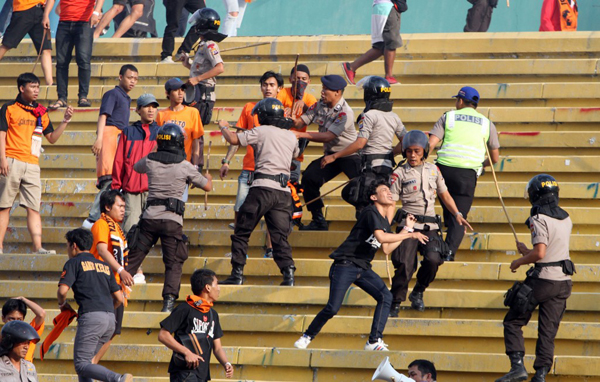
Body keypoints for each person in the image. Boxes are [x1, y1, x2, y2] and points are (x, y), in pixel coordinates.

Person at [294, 180, 427, 351]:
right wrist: (411, 235)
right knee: (333, 308)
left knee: (386, 297)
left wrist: (406, 230)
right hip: (345, 265)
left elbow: (386, 249)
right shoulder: (370, 212)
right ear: (374, 197)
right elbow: (382, 238)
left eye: (389, 190)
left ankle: (374, 341)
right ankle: (307, 336)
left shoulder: (384, 221)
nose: (389, 192)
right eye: (384, 190)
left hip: (362, 268)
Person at [125, 124, 212, 313]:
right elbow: (207, 187)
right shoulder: (185, 165)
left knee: (133, 257)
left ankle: (116, 289)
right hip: (172, 221)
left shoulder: (150, 160)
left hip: (149, 218)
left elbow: (136, 166)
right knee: (173, 263)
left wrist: (157, 150)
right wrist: (209, 178)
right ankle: (169, 302)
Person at [496, 175, 573, 382]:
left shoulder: (538, 218)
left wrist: (519, 261)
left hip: (543, 280)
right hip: (563, 282)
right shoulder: (566, 217)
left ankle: (517, 367)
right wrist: (527, 251)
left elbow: (540, 254)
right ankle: (540, 375)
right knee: (547, 331)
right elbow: (551, 251)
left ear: (535, 195)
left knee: (513, 322)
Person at [389, 130, 472, 315]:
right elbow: (391, 202)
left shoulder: (434, 170)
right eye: (409, 151)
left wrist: (457, 213)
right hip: (409, 226)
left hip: (430, 227)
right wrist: (384, 227)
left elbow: (445, 194)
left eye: (417, 151)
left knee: (434, 259)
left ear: (425, 151)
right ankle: (395, 300)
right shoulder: (399, 173)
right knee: (404, 263)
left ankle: (418, 291)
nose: (412, 155)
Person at [218, 98, 299, 286]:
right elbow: (294, 155)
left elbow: (233, 139)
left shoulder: (260, 131)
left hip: (261, 188)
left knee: (242, 231)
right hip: (283, 193)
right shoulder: (290, 136)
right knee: (279, 237)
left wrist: (223, 126)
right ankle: (289, 274)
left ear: (263, 115)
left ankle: (237, 273)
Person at [0, 72, 73, 254]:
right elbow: (1, 134)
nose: (36, 90)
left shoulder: (41, 111)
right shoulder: (8, 108)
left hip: (32, 163)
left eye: (38, 87)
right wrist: (2, 159)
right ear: (21, 88)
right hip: (11, 159)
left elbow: (51, 138)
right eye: (32, 87)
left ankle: (38, 247)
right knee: (4, 206)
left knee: (33, 207)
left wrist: (65, 122)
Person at [428, 86, 499, 261]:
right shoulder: (486, 123)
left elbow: (430, 144)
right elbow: (495, 158)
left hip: (443, 170)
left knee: (445, 207)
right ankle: (449, 252)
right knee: (459, 214)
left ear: (460, 101)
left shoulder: (449, 116)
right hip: (467, 174)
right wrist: (480, 166)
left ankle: (436, 247)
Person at [219, 70, 283, 257]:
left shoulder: (281, 109)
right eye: (265, 84)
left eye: (272, 85)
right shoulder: (249, 108)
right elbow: (238, 138)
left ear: (279, 89)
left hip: (271, 171)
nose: (268, 88)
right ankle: (239, 251)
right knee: (240, 210)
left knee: (273, 214)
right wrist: (226, 161)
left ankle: (271, 249)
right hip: (249, 170)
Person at [58, 228, 132, 382]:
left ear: (74, 246)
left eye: (67, 245)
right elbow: (118, 298)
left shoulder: (73, 263)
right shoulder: (104, 265)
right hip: (110, 319)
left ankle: (118, 379)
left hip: (91, 317)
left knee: (81, 364)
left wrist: (63, 304)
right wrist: (106, 311)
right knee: (87, 366)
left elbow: (62, 290)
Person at [321, 76, 405, 212]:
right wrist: (390, 154)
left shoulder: (369, 115)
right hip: (386, 168)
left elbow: (360, 143)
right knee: (381, 205)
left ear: (369, 94)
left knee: (361, 203)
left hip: (370, 168)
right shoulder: (394, 116)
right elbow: (405, 141)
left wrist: (334, 156)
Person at [292, 74, 360, 231]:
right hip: (330, 155)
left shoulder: (345, 112)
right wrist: (290, 118)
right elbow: (301, 121)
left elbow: (329, 136)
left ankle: (363, 220)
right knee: (309, 178)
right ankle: (318, 219)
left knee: (360, 186)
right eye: (322, 88)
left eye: (326, 89)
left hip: (349, 154)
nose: (322, 92)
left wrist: (301, 134)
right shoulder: (319, 105)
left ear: (337, 92)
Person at [83, 64, 138, 229]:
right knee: (109, 179)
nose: (132, 81)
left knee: (115, 180)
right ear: (120, 77)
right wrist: (99, 138)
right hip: (109, 136)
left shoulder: (125, 97)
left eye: (135, 78)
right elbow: (103, 116)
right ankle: (91, 221)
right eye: (129, 77)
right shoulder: (113, 94)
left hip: (118, 138)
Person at [158, 268, 234, 382]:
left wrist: (226, 363)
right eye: (216, 284)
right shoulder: (185, 309)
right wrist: (187, 352)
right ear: (208, 287)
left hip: (202, 374)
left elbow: (217, 348)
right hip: (184, 373)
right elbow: (163, 335)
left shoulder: (213, 314)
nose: (219, 288)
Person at [89, 190, 131, 364]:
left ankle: (92, 363)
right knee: (102, 328)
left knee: (113, 329)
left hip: (115, 284)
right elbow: (102, 250)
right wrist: (121, 270)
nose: (123, 210)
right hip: (102, 283)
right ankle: (89, 363)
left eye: (124, 207)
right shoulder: (101, 223)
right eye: (119, 206)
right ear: (107, 206)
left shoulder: (118, 229)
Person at [111, 93, 160, 234]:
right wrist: (116, 188)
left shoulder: (161, 132)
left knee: (150, 233)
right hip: (131, 191)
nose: (151, 110)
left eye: (154, 107)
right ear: (138, 110)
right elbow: (119, 161)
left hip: (153, 191)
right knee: (130, 230)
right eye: (146, 106)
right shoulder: (128, 132)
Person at [48, 0, 103, 110]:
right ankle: (62, 98)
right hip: (64, 22)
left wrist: (96, 12)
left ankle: (83, 97)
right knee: (61, 62)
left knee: (83, 60)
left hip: (84, 22)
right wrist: (45, 15)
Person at [341, 0, 406, 85]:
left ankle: (351, 67)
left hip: (385, 7)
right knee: (391, 41)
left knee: (381, 47)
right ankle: (389, 76)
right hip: (388, 6)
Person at [181, 8, 226, 127]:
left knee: (196, 131)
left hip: (203, 96)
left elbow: (219, 68)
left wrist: (197, 79)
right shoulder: (202, 45)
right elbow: (201, 69)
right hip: (196, 93)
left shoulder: (210, 45)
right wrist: (187, 64)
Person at [277, 64, 318, 182]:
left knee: (292, 184)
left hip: (295, 151)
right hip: (280, 146)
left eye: (303, 79)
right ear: (290, 79)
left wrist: (305, 107)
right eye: (297, 78)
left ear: (309, 81)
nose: (300, 81)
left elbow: (315, 118)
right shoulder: (283, 93)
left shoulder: (310, 99)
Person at [0, 0, 54, 86]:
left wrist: (46, 14)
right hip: (23, 10)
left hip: (41, 11)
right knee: (7, 44)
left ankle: (50, 82)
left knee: (46, 48)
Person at [156, 78, 204, 168]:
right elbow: (157, 142)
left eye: (182, 90)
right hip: (165, 164)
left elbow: (196, 141)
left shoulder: (193, 112)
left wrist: (195, 165)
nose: (180, 93)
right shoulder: (161, 114)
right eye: (176, 90)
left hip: (184, 164)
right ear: (167, 93)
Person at [1, 297, 46, 363]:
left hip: (25, 372)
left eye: (19, 319)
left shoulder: (28, 333)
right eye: (11, 319)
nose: (15, 323)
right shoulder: (1, 337)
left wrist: (23, 299)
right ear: (3, 318)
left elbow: (41, 314)